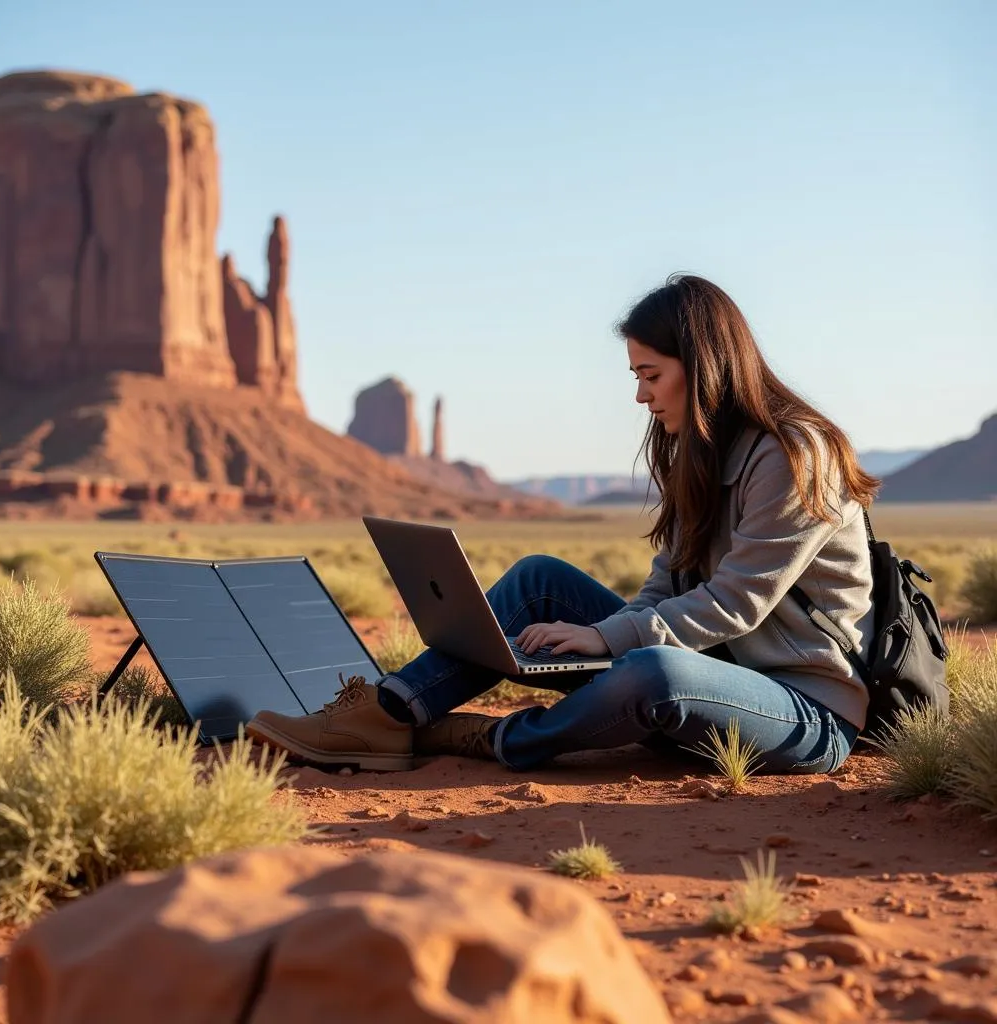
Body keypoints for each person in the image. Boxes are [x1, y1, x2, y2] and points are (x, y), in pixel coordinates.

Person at [246, 274, 879, 775]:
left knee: (653, 671)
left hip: (802, 711)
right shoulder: (703, 451)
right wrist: (608, 630)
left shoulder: (796, 455)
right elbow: (668, 583)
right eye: (637, 377)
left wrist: (608, 639)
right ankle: (388, 712)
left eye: (651, 376)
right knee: (539, 582)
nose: (641, 396)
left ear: (703, 365)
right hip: (714, 670)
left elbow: (735, 604)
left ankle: (495, 738)